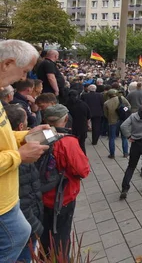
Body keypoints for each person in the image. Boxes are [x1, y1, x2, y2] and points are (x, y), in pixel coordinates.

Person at [0, 39, 49, 263]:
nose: (23, 79)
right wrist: (19, 156)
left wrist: (26, 136)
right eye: (24, 71)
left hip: (8, 198)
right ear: (7, 63)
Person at [39, 104, 90, 256]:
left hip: (39, 195)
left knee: (44, 234)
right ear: (66, 119)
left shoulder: (36, 136)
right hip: (61, 197)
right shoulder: (67, 142)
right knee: (60, 236)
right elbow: (83, 170)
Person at [5, 105, 43, 263]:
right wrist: (19, 155)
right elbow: (29, 193)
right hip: (21, 215)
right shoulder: (23, 156)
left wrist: (27, 135)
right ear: (21, 125)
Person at [103, 89, 130, 159]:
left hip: (112, 121)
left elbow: (106, 115)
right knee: (124, 137)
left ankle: (112, 154)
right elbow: (129, 106)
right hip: (122, 120)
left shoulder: (106, 103)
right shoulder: (121, 98)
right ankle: (125, 153)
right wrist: (124, 110)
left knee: (112, 138)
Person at [64, 90, 91, 154]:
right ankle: (83, 158)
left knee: (71, 145)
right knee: (81, 144)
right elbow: (88, 116)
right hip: (82, 127)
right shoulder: (83, 104)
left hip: (70, 128)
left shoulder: (66, 105)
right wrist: (88, 125)